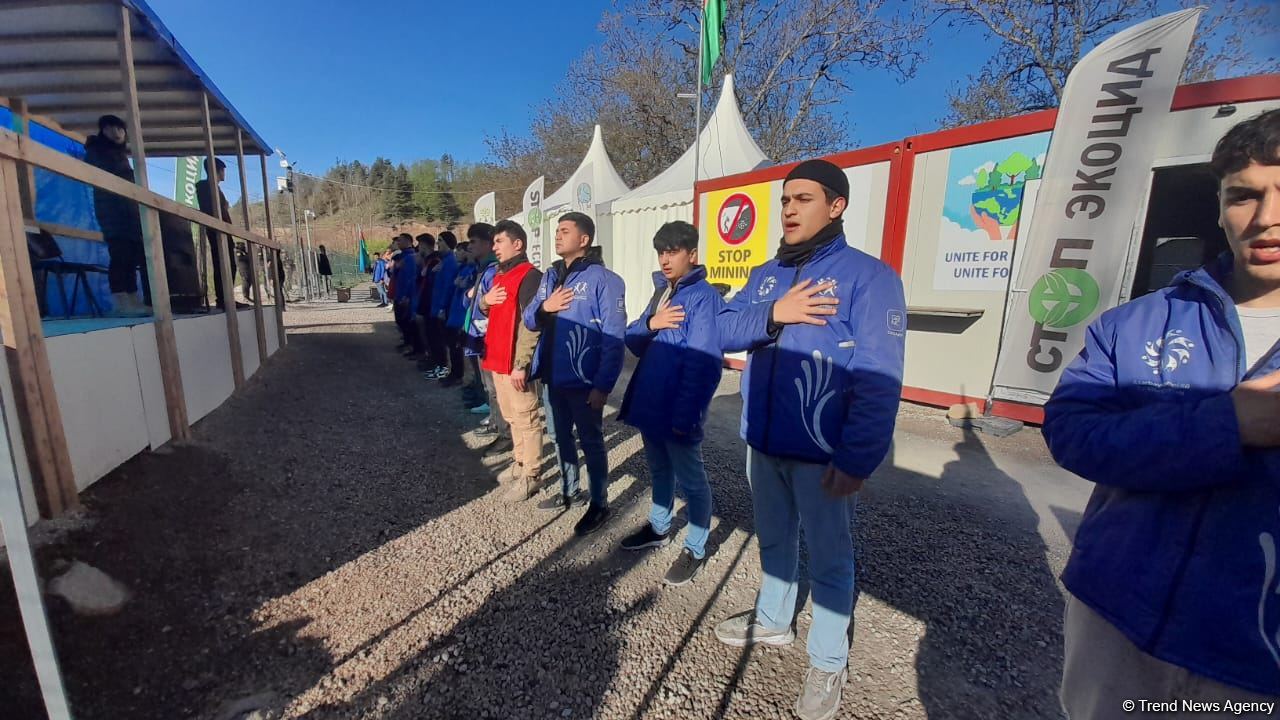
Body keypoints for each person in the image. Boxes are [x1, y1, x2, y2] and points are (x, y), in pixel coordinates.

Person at [1046, 110, 1280, 717]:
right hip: (1116, 620)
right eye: (1244, 196)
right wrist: (1228, 424)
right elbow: (1073, 432)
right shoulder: (1140, 322)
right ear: (1221, 205)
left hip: (1256, 661)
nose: (1265, 218)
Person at [715, 159, 906, 720]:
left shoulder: (870, 278)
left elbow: (880, 376)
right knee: (772, 540)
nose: (790, 209)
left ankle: (827, 662)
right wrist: (774, 312)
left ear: (836, 206)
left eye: (803, 199)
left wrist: (858, 457)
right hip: (763, 440)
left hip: (822, 452)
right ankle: (774, 622)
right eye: (785, 200)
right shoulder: (766, 274)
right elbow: (721, 329)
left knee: (829, 557)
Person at [617, 221, 724, 587]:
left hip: (677, 407)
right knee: (659, 471)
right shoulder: (662, 293)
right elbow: (632, 339)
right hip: (651, 402)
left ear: (692, 254)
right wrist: (652, 321)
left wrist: (687, 413)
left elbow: (705, 362)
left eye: (673, 251)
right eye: (661, 251)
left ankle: (695, 547)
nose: (665, 258)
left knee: (692, 482)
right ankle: (659, 528)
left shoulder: (704, 298)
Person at [524, 212, 627, 531]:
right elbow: (529, 319)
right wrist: (546, 307)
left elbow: (614, 338)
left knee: (591, 441)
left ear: (583, 239)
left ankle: (600, 503)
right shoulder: (550, 276)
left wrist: (603, 386)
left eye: (564, 231)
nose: (557, 236)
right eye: (556, 230)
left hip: (585, 382)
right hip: (552, 377)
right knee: (557, 436)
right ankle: (570, 491)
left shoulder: (605, 280)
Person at [479, 220, 546, 501]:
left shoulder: (530, 276)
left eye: (499, 242)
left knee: (527, 419)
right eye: (493, 243)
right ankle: (519, 463)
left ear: (517, 244)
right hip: (496, 358)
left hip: (515, 363)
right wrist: (485, 300)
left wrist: (522, 364)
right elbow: (483, 308)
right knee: (511, 418)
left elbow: (532, 325)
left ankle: (532, 475)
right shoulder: (498, 274)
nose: (494, 247)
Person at [84, 114, 149, 317]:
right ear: (103, 130)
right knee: (120, 255)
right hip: (112, 211)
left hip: (129, 212)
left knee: (131, 255)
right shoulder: (97, 150)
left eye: (121, 129)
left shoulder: (120, 154)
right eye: (112, 128)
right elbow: (106, 176)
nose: (118, 132)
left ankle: (132, 300)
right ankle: (120, 303)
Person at [195, 158, 239, 310]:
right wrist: (223, 207)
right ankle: (224, 299)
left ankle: (227, 297)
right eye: (223, 170)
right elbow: (212, 210)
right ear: (217, 170)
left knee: (230, 266)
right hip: (217, 232)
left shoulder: (215, 189)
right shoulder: (205, 187)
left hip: (224, 232)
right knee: (223, 265)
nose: (224, 174)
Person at [442, 240, 475, 388]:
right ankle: (455, 373)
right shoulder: (462, 268)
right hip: (454, 313)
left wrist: (465, 283)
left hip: (462, 316)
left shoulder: (472, 270)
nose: (456, 254)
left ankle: (459, 376)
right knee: (452, 346)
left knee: (459, 348)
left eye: (459, 251)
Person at [428, 231, 460, 378]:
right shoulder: (444, 261)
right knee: (437, 338)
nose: (438, 244)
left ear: (448, 243)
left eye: (440, 241)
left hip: (443, 308)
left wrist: (442, 307)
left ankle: (445, 368)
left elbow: (448, 287)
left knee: (445, 342)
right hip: (436, 306)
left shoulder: (450, 262)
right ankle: (440, 366)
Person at [392, 235, 423, 357]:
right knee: (401, 320)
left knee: (408, 322)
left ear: (408, 242)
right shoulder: (402, 257)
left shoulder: (410, 257)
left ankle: (414, 346)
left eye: (400, 240)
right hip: (400, 293)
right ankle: (408, 343)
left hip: (406, 295)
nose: (398, 243)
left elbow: (410, 278)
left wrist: (406, 295)